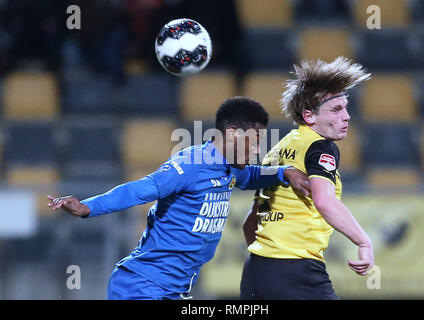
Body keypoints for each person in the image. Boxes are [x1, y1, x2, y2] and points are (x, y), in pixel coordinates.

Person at [48, 96, 311, 300]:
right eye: (254, 142)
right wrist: (87, 208)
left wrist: (284, 172)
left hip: (170, 290)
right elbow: (140, 189)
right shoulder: (192, 163)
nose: (256, 151)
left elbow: (252, 176)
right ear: (232, 133)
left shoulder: (231, 168)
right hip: (142, 287)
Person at [240, 57, 375, 300]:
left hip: (255, 271)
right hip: (297, 272)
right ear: (309, 116)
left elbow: (250, 222)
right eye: (336, 109)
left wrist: (267, 262)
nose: (346, 116)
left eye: (346, 107)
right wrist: (363, 242)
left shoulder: (277, 151)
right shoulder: (319, 146)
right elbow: (325, 201)